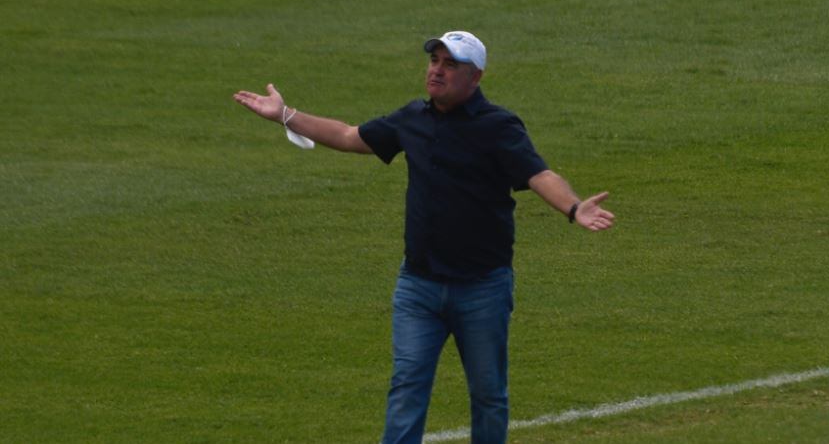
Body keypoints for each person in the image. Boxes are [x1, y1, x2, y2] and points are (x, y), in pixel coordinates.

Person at [233, 31, 614, 444]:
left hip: (482, 288)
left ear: (475, 77)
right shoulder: (412, 118)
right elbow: (348, 135)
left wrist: (573, 208)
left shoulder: (498, 126)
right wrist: (285, 115)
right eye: (434, 61)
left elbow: (538, 174)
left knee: (488, 396)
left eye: (451, 65)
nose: (437, 70)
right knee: (406, 388)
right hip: (418, 286)